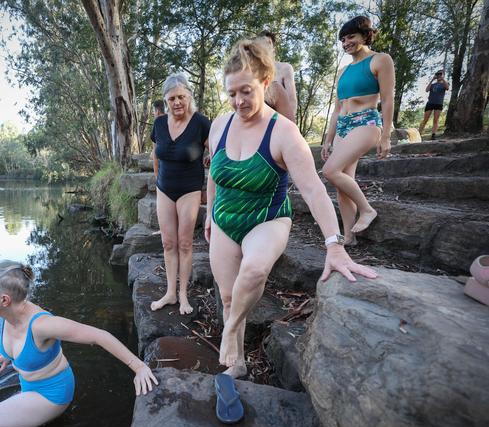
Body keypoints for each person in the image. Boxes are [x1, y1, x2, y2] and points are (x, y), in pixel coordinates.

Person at [205, 37, 377, 378]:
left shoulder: (284, 133)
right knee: (227, 296)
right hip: (225, 217)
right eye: (232, 93)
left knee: (253, 271)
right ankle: (237, 365)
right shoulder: (218, 125)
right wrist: (209, 213)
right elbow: (212, 173)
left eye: (246, 91)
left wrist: (334, 243)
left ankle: (229, 333)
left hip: (266, 219)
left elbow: (313, 190)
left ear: (265, 83)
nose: (238, 101)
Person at [0, 260, 157, 427]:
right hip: (29, 388)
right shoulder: (11, 311)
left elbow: (100, 336)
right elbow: (19, 343)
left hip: (51, 395)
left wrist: (139, 367)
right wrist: (7, 355)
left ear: (4, 300)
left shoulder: (43, 326)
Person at [321, 16, 395, 245]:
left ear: (365, 35)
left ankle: (367, 209)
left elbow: (388, 98)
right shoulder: (343, 72)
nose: (346, 43)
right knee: (342, 183)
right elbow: (336, 109)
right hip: (343, 126)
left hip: (366, 123)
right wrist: (328, 139)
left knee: (330, 171)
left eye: (351, 37)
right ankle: (350, 237)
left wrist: (385, 137)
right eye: (343, 39)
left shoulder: (380, 60)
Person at [150, 73, 211, 315]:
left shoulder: (201, 122)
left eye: (181, 97)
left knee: (185, 243)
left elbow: (216, 151)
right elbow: (156, 154)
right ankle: (170, 293)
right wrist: (158, 180)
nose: (177, 103)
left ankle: (184, 295)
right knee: (168, 243)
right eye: (172, 98)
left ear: (189, 97)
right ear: (166, 101)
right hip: (164, 189)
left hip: (190, 189)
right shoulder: (159, 124)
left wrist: (210, 163)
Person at [259, 31, 297, 122]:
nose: (266, 46)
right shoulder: (253, 72)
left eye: (268, 43)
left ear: (273, 48)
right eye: (262, 43)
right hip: (259, 122)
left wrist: (287, 125)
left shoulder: (285, 68)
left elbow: (292, 100)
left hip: (280, 121)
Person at [418, 70, 449, 140]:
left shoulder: (444, 84)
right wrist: (432, 79)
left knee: (436, 120)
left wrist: (443, 79)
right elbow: (427, 90)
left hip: (438, 104)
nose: (439, 75)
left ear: (443, 75)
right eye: (438, 74)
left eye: (440, 74)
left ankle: (433, 135)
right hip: (430, 103)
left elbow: (447, 88)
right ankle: (419, 134)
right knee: (425, 120)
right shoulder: (433, 85)